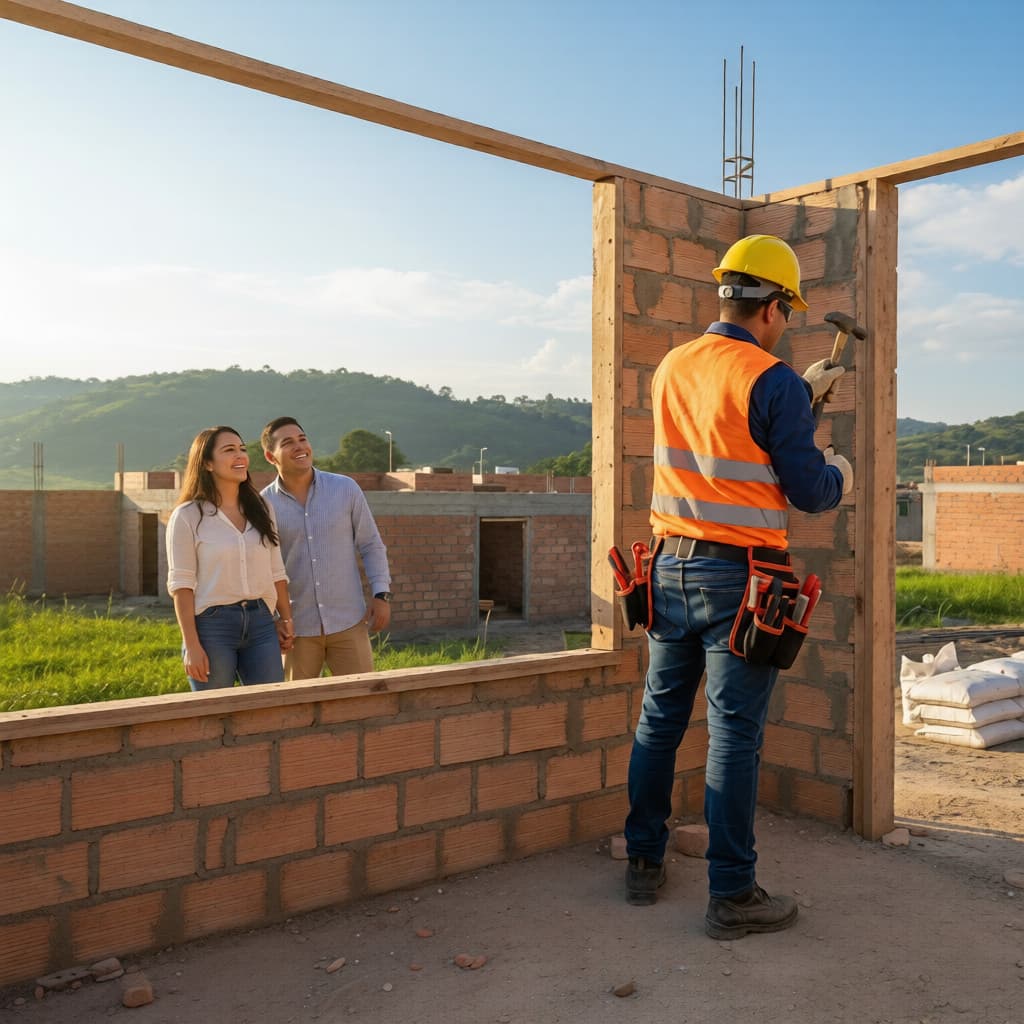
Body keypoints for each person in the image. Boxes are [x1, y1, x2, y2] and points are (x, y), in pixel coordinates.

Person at [623, 234, 854, 939]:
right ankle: (732, 894)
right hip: (741, 580)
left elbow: (723, 434)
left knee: (659, 721)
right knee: (732, 735)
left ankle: (643, 862)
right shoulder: (771, 379)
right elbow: (808, 491)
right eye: (788, 312)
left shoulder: (673, 365)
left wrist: (800, 398)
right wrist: (838, 469)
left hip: (668, 568)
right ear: (774, 307)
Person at [260, 416, 392, 680]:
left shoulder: (345, 488)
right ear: (270, 456)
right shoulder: (263, 504)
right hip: (297, 629)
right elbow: (262, 569)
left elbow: (370, 544)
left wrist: (381, 594)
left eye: (302, 439)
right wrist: (275, 618)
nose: (300, 446)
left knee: (361, 699)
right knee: (298, 702)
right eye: (288, 443)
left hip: (348, 621)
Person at [166, 426, 294, 691]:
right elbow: (181, 585)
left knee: (267, 707)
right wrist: (191, 645)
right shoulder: (188, 516)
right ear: (207, 463)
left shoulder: (261, 507)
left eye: (242, 449)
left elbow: (276, 571)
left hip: (262, 624)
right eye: (229, 450)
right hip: (212, 628)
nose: (240, 456)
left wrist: (285, 619)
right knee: (215, 709)